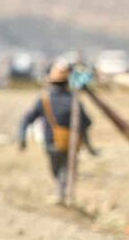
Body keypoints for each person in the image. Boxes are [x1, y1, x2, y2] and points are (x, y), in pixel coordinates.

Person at [19, 62, 97, 204]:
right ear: (67, 82)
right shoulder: (73, 101)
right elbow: (87, 122)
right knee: (66, 170)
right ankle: (63, 195)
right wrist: (88, 144)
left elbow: (27, 118)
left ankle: (61, 195)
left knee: (57, 170)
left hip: (51, 143)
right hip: (70, 143)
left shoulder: (44, 100)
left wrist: (22, 137)